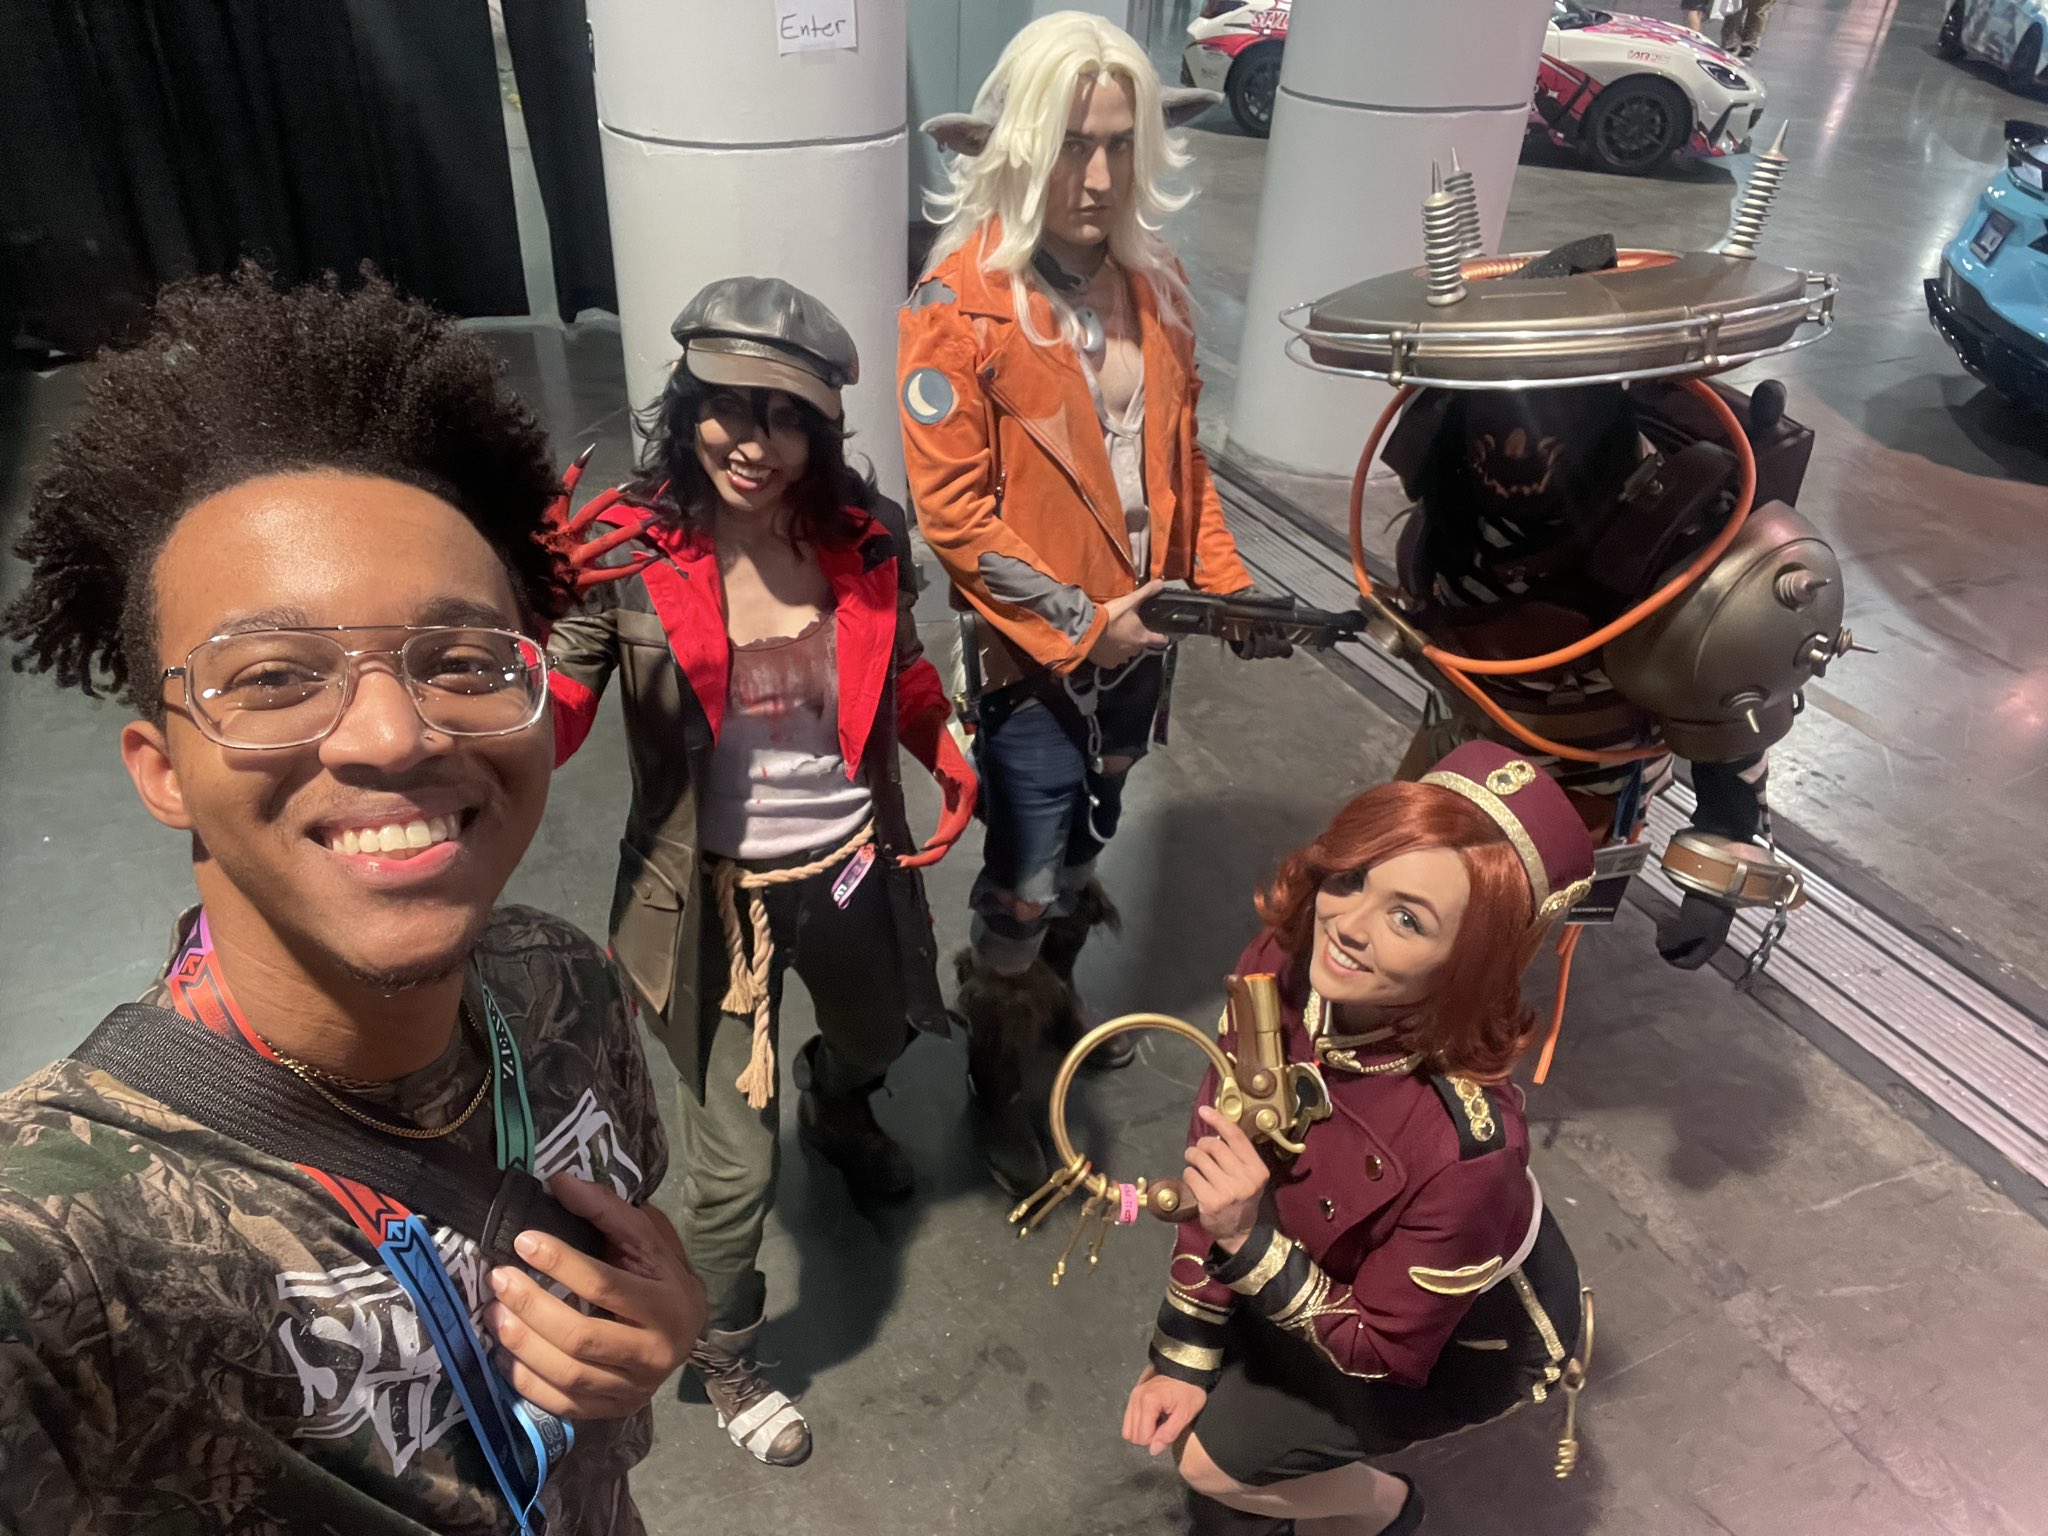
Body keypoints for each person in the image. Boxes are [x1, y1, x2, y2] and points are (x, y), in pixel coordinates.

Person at [0, 265, 704, 1534]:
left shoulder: (564, 984)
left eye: (463, 661)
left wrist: (669, 1321)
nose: (394, 733)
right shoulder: (68, 1247)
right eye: (275, 676)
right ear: (162, 770)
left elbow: (636, 1232)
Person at [547, 276, 974, 1468]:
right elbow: (558, 706)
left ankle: (837, 1102)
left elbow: (901, 671)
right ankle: (726, 1352)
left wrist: (949, 757)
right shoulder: (627, 548)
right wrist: (505, 657)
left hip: (846, 869)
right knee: (733, 1172)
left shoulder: (863, 533)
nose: (754, 442)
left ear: (820, 431)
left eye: (786, 417)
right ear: (686, 406)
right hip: (703, 907)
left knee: (881, 1035)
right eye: (728, 407)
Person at [900, 10, 1264, 1197]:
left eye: (1117, 143)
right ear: (1016, 147)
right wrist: (1081, 622)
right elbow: (956, 517)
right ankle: (999, 1068)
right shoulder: (955, 304)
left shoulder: (1158, 288)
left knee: (1093, 828)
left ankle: (1050, 988)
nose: (1098, 178)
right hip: (1033, 668)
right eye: (1070, 144)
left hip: (1145, 648)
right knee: (1022, 871)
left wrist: (1223, 586)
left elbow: (1180, 465)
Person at [1123, 742, 1598, 1535]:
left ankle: (1384, 1509)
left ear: (1469, 959)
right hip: (1316, 1262)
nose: (1345, 925)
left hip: (1458, 1341)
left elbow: (1385, 1347)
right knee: (1206, 1434)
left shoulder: (1469, 1148)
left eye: (1407, 918)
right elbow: (1220, 1155)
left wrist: (1244, 1239)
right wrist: (1185, 1345)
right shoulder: (1282, 968)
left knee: (1210, 1466)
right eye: (1351, 878)